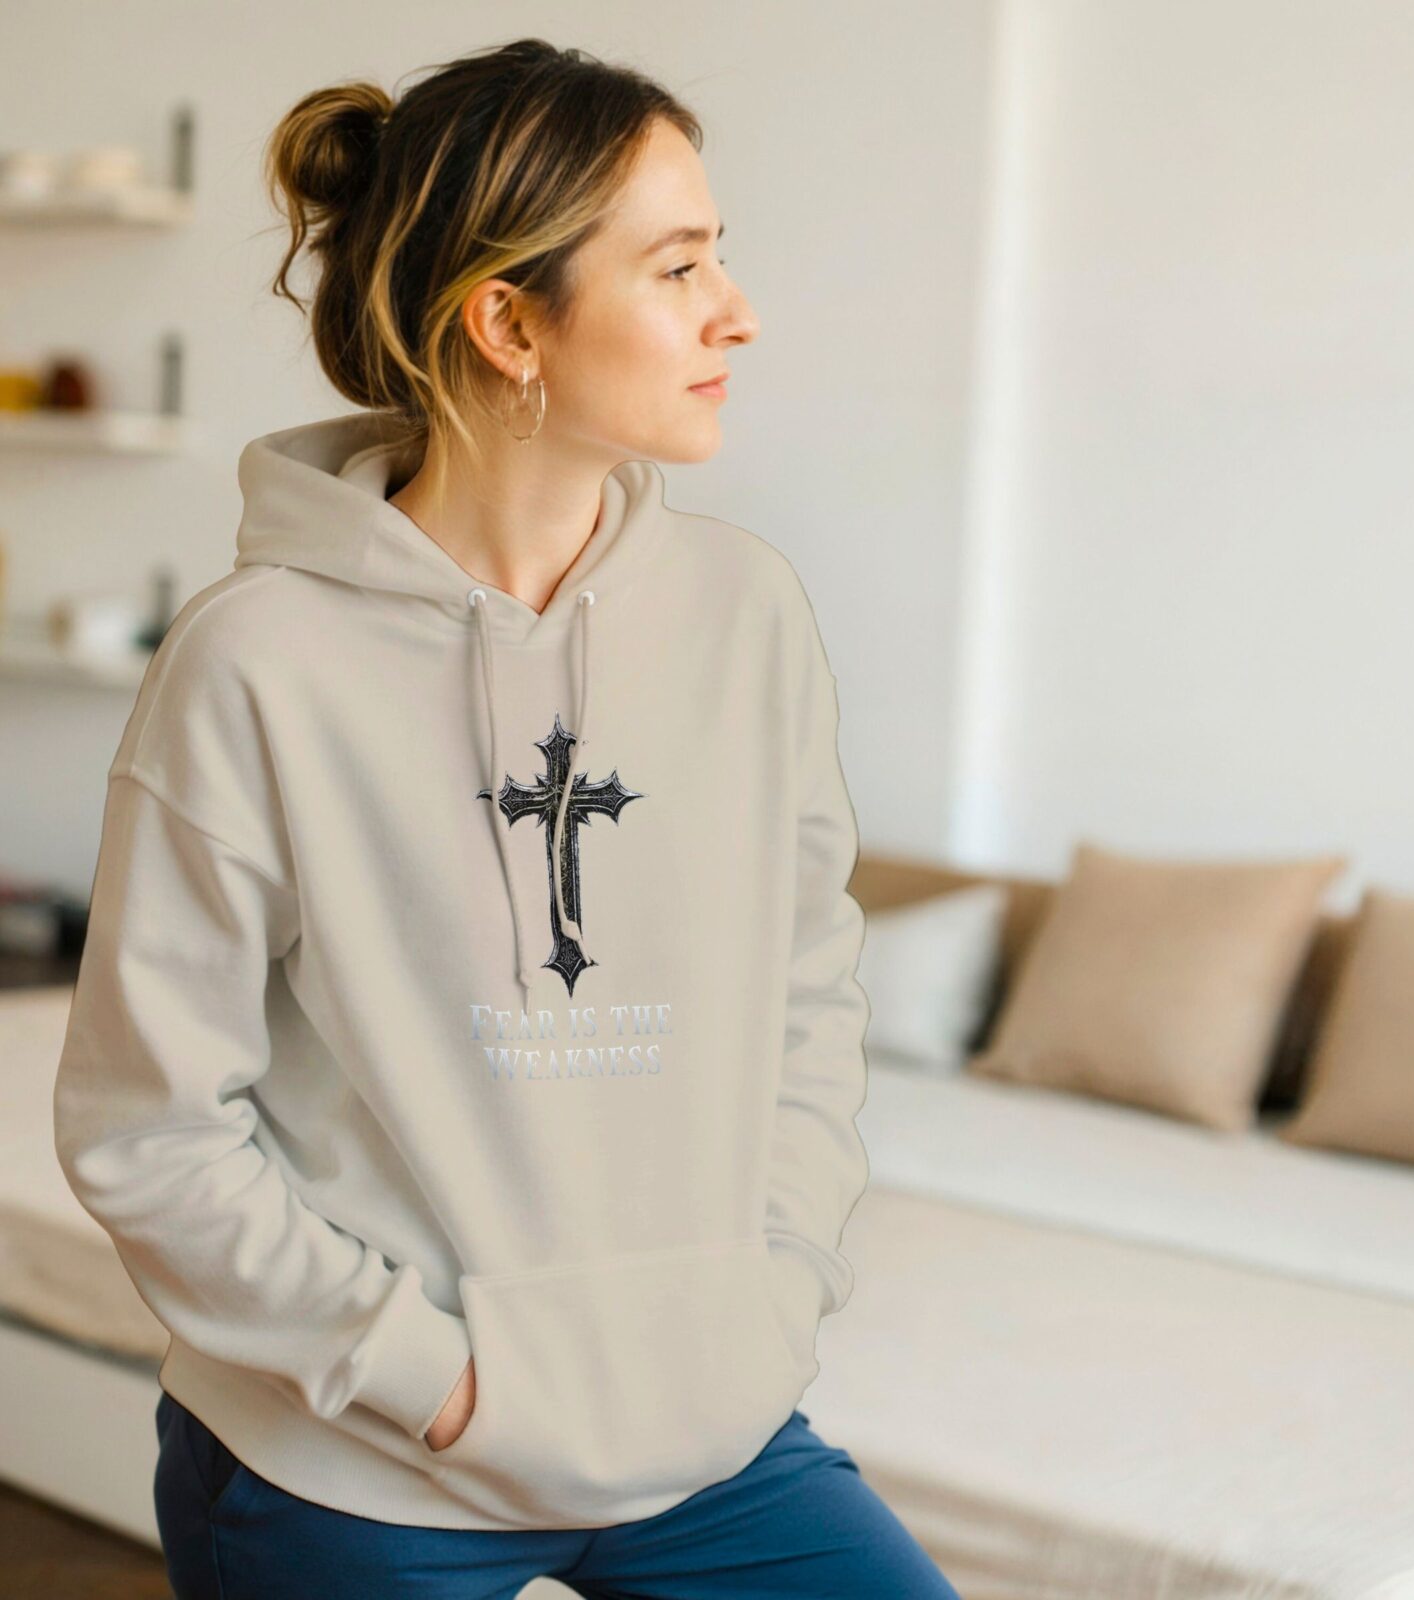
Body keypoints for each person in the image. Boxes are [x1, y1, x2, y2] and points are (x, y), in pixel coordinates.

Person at [53, 36, 960, 1600]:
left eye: (719, 258)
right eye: (678, 269)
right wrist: (432, 1377)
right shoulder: (254, 660)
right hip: (361, 1452)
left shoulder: (747, 616)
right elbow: (148, 1129)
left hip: (704, 1428)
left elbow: (812, 992)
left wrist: (774, 1301)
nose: (736, 312)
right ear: (508, 323)